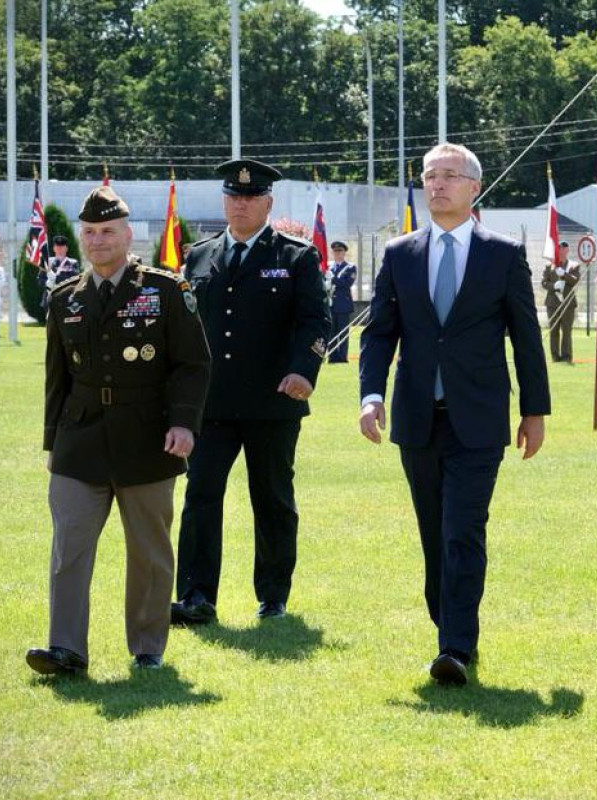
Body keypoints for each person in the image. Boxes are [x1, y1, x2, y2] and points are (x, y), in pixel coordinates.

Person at [359, 143, 550, 686]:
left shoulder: (502, 254)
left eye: (449, 177)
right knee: (434, 533)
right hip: (418, 418)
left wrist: (535, 411)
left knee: (463, 528)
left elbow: (527, 339)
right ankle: (450, 628)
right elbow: (379, 335)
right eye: (429, 177)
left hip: (480, 418)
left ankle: (456, 648)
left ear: (473, 188)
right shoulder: (399, 255)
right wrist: (370, 395)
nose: (437, 186)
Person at [26, 186, 210, 676]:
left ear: (128, 235)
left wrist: (183, 424)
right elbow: (56, 377)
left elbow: (193, 365)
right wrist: (52, 442)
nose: (98, 241)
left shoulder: (167, 291)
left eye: (108, 231)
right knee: (69, 548)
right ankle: (66, 649)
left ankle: (147, 647)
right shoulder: (65, 299)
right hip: (79, 441)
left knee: (149, 553)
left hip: (148, 439)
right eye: (90, 232)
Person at [172, 159, 331, 625]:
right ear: (223, 201)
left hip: (272, 403)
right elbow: (184, 330)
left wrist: (305, 370)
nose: (240, 205)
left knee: (273, 500)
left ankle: (273, 598)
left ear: (267, 203)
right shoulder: (198, 256)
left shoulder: (296, 257)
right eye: (233, 197)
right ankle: (197, 596)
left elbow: (315, 321)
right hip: (211, 404)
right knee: (200, 497)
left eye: (250, 198)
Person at [540, 241, 581, 363]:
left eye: (564, 249)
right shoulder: (549, 265)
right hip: (553, 303)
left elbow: (575, 281)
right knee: (554, 330)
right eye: (560, 249)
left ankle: (566, 356)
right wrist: (553, 286)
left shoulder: (574, 265)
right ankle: (555, 357)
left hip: (567, 303)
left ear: (568, 251)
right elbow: (544, 283)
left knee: (567, 331)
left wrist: (565, 274)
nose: (562, 252)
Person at [327, 241, 357, 363]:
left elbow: (346, 284)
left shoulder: (350, 267)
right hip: (331, 305)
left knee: (343, 333)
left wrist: (332, 278)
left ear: (344, 252)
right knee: (331, 333)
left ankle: (342, 357)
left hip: (343, 305)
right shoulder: (329, 267)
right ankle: (332, 357)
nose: (337, 253)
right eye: (335, 251)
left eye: (340, 251)